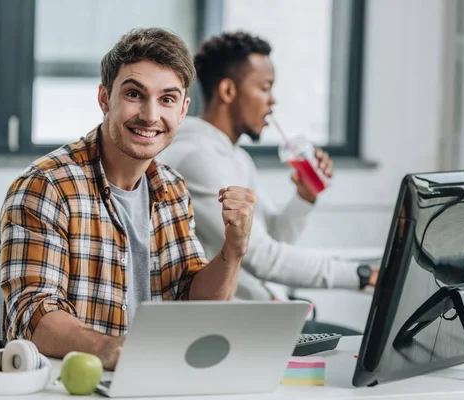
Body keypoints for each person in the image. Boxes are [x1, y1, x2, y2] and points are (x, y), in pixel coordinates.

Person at [0, 28, 256, 370]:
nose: (150, 116)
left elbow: (194, 302)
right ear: (105, 98)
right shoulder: (47, 185)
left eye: (167, 99)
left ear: (182, 110)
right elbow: (32, 315)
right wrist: (109, 349)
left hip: (162, 378)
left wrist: (233, 250)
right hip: (74, 385)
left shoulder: (173, 188)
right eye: (135, 94)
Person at [158, 32, 378, 335]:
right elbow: (261, 257)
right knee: (361, 347)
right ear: (227, 90)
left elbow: (273, 235)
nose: (272, 101)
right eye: (264, 88)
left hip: (267, 314)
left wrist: (305, 196)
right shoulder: (197, 158)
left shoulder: (235, 157)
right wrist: (362, 274)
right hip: (234, 327)